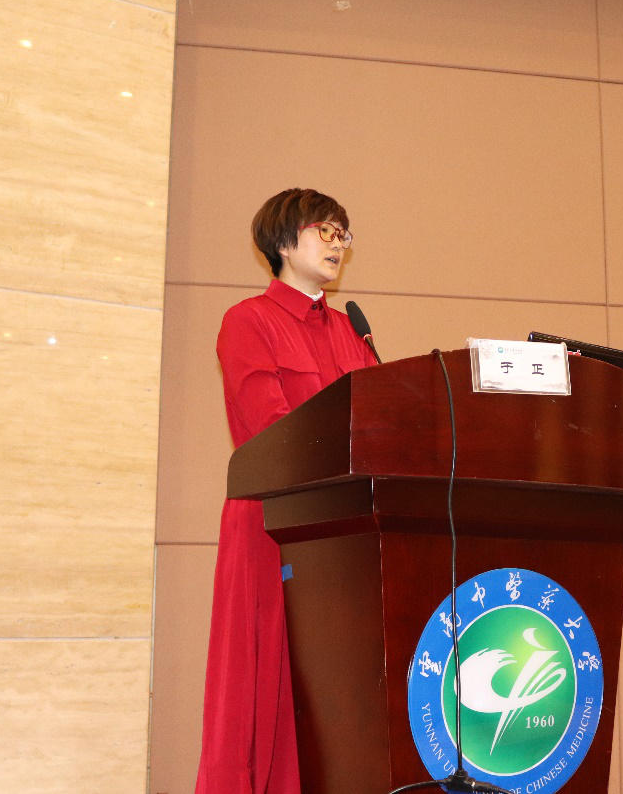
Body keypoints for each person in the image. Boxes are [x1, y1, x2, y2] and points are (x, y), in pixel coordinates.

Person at [195, 189, 378, 794]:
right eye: (325, 230)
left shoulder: (353, 333)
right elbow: (269, 431)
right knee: (263, 690)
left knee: (333, 699)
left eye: (343, 234)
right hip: (272, 527)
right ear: (282, 240)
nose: (338, 244)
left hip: (342, 537)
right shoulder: (248, 321)